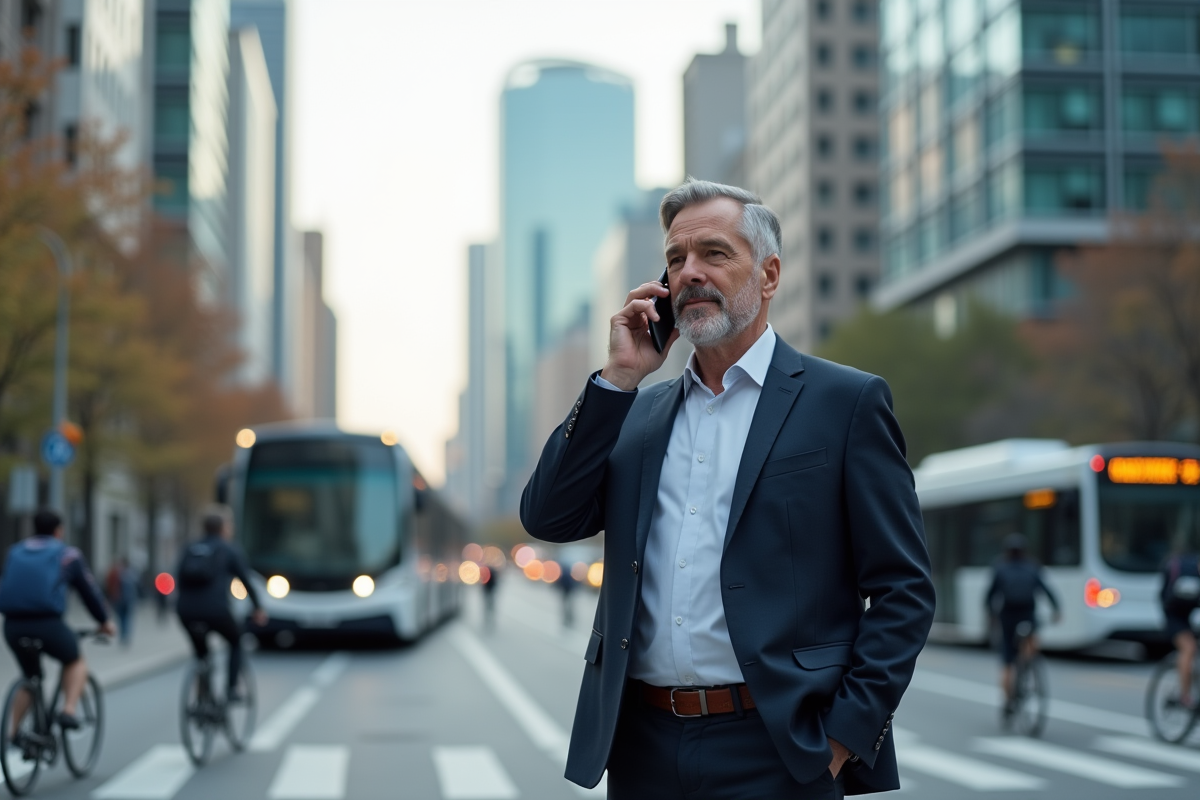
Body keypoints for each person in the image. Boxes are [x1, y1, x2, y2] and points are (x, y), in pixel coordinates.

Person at [521, 180, 935, 799]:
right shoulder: (634, 413)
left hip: (781, 750)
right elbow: (549, 516)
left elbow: (904, 589)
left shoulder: (845, 403)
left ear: (768, 275)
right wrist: (615, 381)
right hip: (643, 748)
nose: (690, 273)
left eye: (714, 254)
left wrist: (842, 739)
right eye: (675, 260)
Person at [0, 509, 116, 732]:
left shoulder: (15, 551)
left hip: (12, 626)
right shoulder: (68, 554)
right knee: (74, 660)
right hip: (48, 624)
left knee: (30, 677)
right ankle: (69, 711)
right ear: (59, 531)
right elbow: (89, 592)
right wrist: (104, 621)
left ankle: (12, 734)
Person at [174, 507, 266, 700]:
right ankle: (232, 689)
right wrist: (257, 608)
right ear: (224, 528)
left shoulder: (190, 548)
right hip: (217, 611)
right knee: (236, 640)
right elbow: (246, 580)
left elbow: (178, 579)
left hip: (186, 612)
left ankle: (203, 695)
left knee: (201, 653)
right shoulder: (229, 550)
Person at [985, 533, 1061, 723]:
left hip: (1008, 616)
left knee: (1007, 662)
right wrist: (1056, 609)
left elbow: (990, 596)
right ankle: (1028, 664)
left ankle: (1009, 699)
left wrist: (991, 617)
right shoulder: (1032, 567)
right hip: (1028, 615)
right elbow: (1046, 589)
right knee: (1030, 643)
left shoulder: (1000, 567)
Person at [1160, 548, 1200, 710]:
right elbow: (1166, 598)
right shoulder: (1186, 571)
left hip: (1192, 614)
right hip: (1174, 615)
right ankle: (1184, 696)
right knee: (1189, 648)